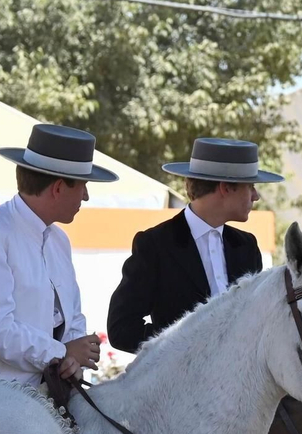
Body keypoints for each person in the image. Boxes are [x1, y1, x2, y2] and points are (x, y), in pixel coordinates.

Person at [0, 123, 114, 385]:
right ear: (58, 188)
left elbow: (72, 315)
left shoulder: (58, 240)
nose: (86, 196)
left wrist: (72, 352)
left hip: (39, 398)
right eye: (82, 186)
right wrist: (62, 352)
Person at [106, 137, 280, 352]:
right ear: (225, 188)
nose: (256, 196)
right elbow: (121, 329)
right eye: (251, 186)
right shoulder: (155, 244)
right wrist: (184, 347)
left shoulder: (246, 246)